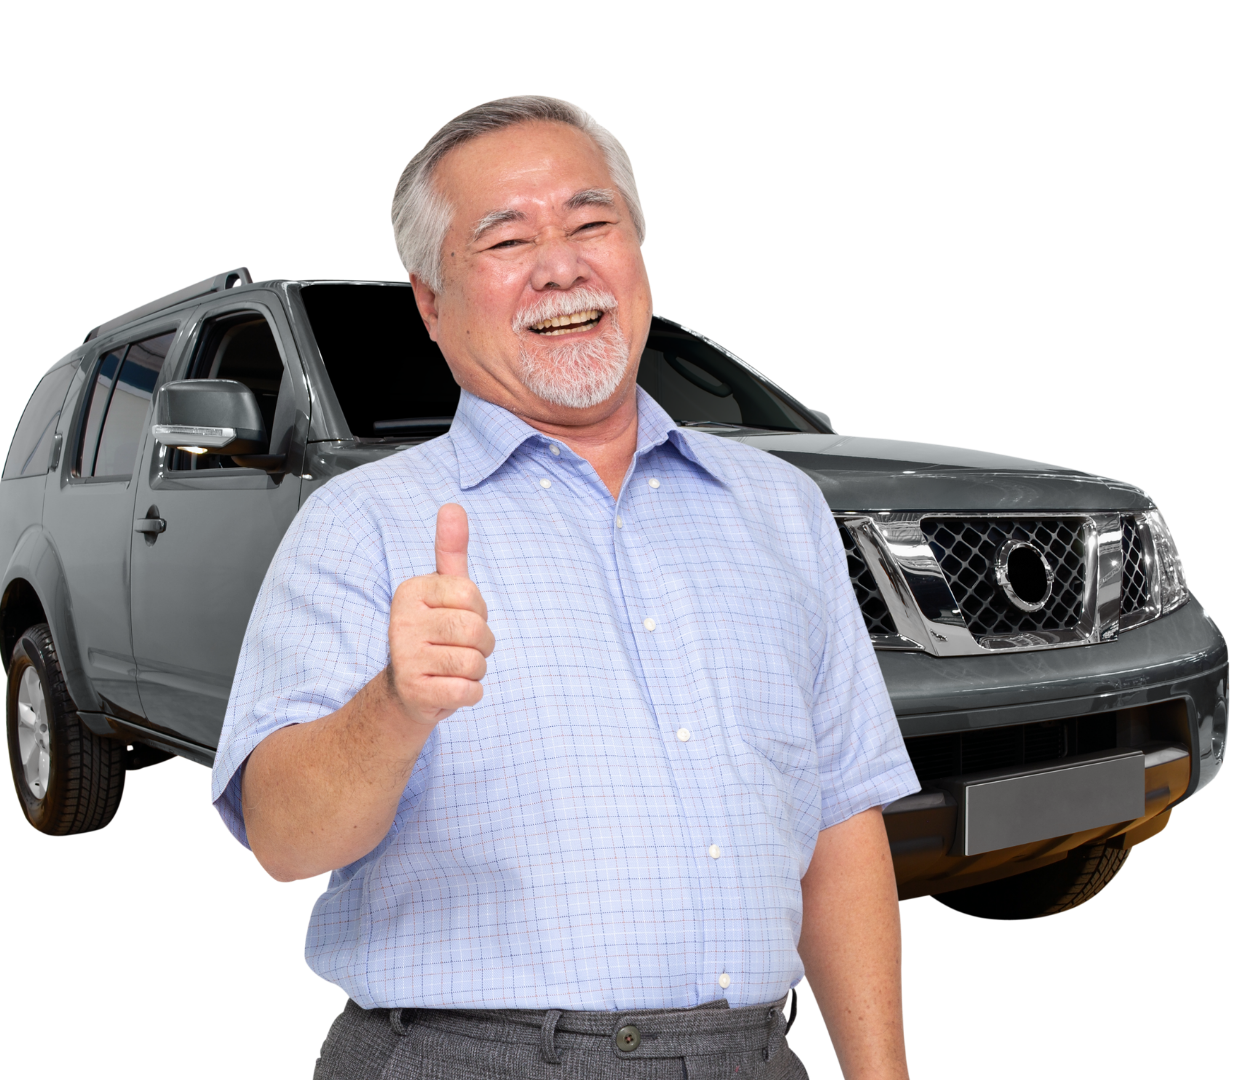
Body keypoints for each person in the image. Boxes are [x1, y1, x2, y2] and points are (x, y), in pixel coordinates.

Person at [211, 94, 919, 1079]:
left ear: (636, 253)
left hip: (754, 1056)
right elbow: (284, 840)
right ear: (430, 300)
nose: (561, 263)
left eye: (593, 223)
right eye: (505, 241)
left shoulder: (782, 508)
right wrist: (396, 705)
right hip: (467, 1060)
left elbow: (841, 819)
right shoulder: (362, 521)